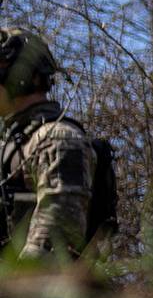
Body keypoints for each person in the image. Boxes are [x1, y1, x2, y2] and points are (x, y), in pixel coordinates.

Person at [0, 26, 98, 261]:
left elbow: (57, 235)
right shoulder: (11, 144)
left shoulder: (57, 139)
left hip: (39, 292)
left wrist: (13, 289)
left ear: (24, 78)